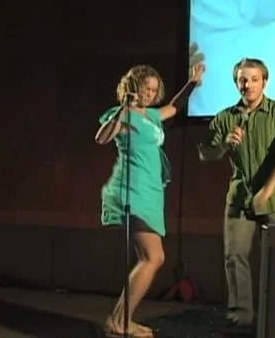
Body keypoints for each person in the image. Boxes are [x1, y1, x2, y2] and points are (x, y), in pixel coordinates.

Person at [95, 44, 205, 337]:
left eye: (154, 90)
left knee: (149, 257)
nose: (150, 94)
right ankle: (121, 321)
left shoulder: (151, 116)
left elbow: (174, 107)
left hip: (151, 191)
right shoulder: (125, 115)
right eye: (145, 88)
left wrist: (192, 83)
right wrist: (123, 109)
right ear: (133, 87)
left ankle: (118, 320)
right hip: (132, 191)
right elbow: (102, 138)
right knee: (153, 257)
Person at [197, 58, 275, 330]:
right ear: (236, 83)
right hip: (240, 197)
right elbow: (206, 154)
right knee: (234, 255)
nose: (248, 85)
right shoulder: (225, 117)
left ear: (264, 82)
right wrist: (223, 145)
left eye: (254, 79)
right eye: (243, 80)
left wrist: (267, 190)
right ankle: (241, 314)